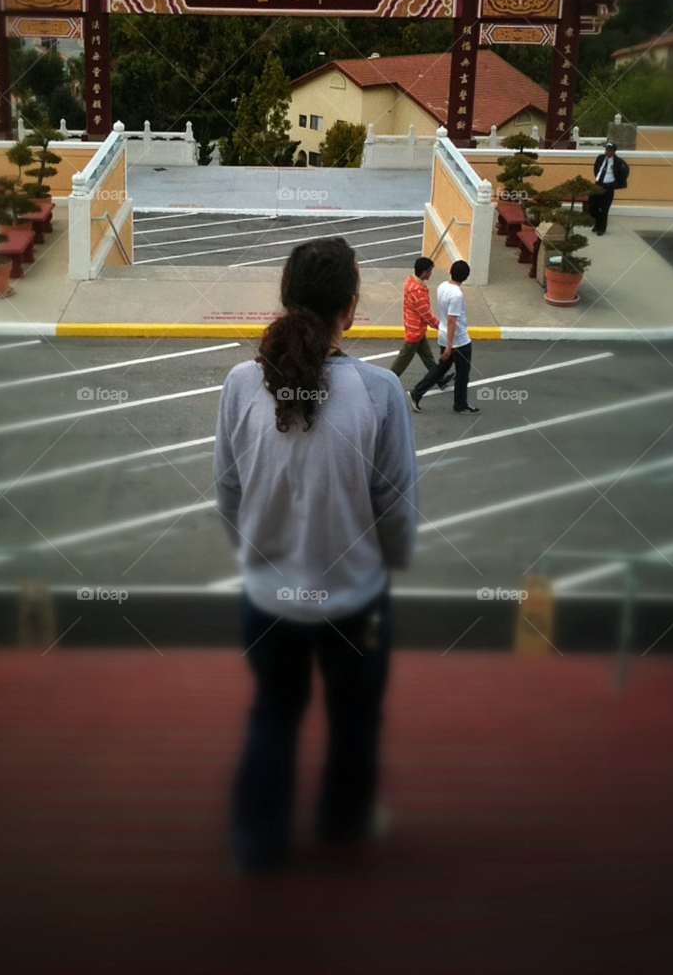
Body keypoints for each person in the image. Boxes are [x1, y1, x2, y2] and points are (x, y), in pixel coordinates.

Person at [214, 236, 419, 874]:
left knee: (273, 712)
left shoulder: (241, 383)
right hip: (356, 599)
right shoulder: (381, 392)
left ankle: (258, 839)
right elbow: (396, 506)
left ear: (285, 300)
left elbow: (227, 490)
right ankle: (342, 822)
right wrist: (386, 565)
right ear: (350, 310)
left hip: (268, 599)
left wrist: (257, 552)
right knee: (355, 719)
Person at [409, 259, 479, 415]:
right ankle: (460, 403)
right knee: (463, 372)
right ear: (465, 277)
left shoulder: (442, 287)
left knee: (441, 369)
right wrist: (449, 346)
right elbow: (452, 320)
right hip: (458, 340)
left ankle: (417, 393)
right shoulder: (457, 295)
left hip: (443, 335)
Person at [390, 256, 451, 388]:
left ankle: (439, 379)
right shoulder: (418, 291)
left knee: (427, 357)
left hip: (416, 328)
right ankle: (388, 380)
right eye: (430, 271)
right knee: (402, 361)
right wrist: (441, 326)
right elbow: (426, 315)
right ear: (423, 272)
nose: (431, 274)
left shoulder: (411, 283)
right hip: (415, 331)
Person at [589, 142, 629, 236]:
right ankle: (598, 222)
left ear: (613, 152)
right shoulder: (600, 158)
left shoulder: (618, 162)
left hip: (608, 187)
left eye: (609, 150)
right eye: (606, 150)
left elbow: (624, 172)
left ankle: (601, 228)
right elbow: (596, 168)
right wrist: (598, 178)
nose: (607, 152)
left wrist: (616, 182)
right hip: (598, 184)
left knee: (604, 208)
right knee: (592, 206)